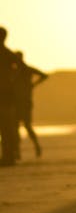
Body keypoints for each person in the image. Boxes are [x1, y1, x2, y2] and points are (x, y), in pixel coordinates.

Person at [13, 51, 47, 158]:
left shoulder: (23, 70)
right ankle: (18, 151)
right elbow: (44, 76)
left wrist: (33, 84)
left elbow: (44, 75)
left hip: (23, 102)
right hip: (18, 102)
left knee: (24, 126)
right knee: (18, 127)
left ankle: (35, 146)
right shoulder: (18, 70)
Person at [0, 28, 20, 166]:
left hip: (6, 96)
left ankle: (9, 157)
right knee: (7, 128)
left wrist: (11, 77)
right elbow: (21, 67)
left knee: (6, 128)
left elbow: (21, 67)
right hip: (7, 95)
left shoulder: (6, 53)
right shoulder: (8, 53)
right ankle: (8, 157)